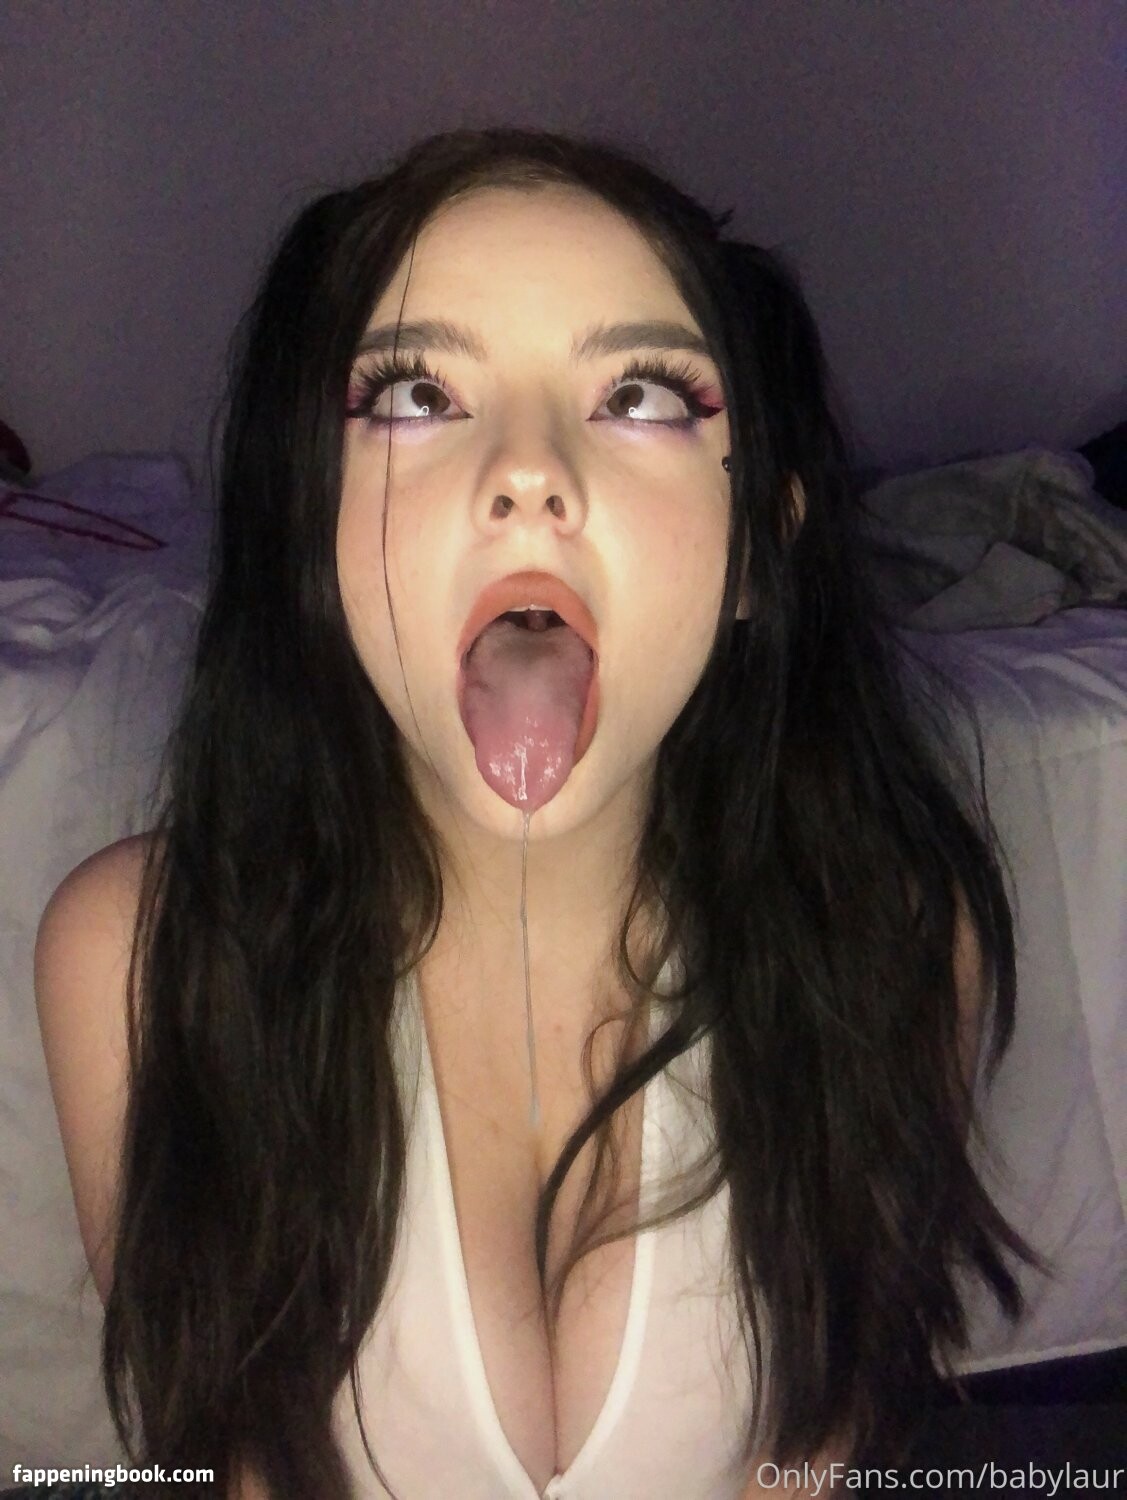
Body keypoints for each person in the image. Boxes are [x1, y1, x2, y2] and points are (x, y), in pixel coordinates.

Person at [33, 127, 1039, 1500]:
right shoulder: (137, 961)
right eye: (415, 393)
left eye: (640, 393)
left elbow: (820, 1451)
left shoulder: (896, 936)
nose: (527, 471)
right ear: (311, 531)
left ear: (759, 547)